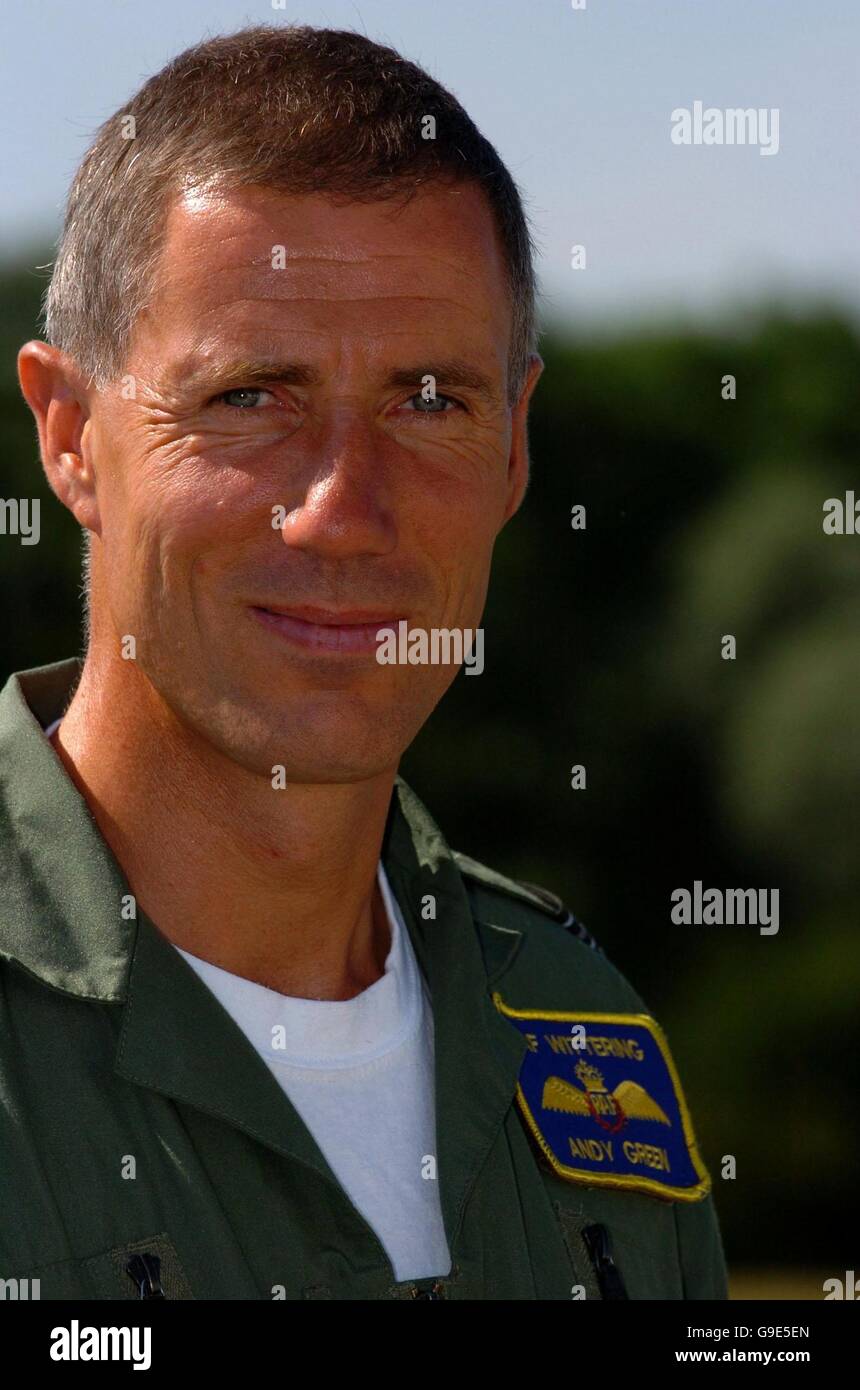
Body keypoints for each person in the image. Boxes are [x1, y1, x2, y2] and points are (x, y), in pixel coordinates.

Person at [2, 23, 727, 1300]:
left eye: (429, 401)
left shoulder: (576, 1021)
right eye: (249, 396)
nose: (341, 508)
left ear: (512, 454)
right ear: (69, 437)